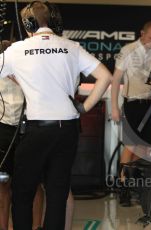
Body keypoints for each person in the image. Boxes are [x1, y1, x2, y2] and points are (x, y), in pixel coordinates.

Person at [0, 1, 112, 229]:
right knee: (57, 194)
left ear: (27, 23)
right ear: (53, 21)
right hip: (67, 129)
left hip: (36, 130)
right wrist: (84, 107)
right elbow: (105, 77)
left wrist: (20, 78)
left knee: (22, 193)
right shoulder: (71, 46)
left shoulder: (16, 50)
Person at [111, 21, 151, 207]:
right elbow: (115, 81)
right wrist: (114, 107)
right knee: (130, 147)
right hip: (132, 103)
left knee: (145, 149)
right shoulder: (128, 50)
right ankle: (123, 188)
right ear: (141, 33)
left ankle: (138, 188)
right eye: (150, 38)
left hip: (150, 104)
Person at [0, 40, 44, 230]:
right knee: (2, 184)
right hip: (3, 129)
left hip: (29, 128)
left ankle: (36, 227)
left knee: (33, 183)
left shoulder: (30, 70)